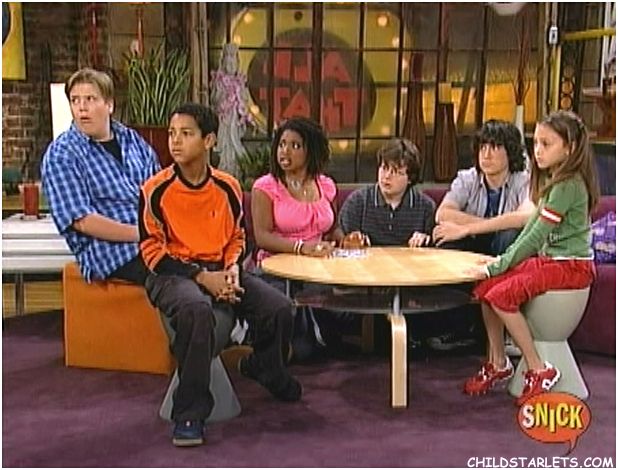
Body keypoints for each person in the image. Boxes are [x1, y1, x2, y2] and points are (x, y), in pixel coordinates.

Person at [139, 103, 301, 447]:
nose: (175, 141)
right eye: (172, 134)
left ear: (209, 140)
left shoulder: (227, 186)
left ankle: (266, 367)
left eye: (186, 134)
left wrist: (231, 271)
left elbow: (237, 238)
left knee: (280, 308)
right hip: (172, 275)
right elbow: (152, 253)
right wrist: (201, 277)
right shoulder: (155, 189)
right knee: (198, 310)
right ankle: (189, 412)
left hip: (220, 268)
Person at [463, 110, 599, 406]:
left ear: (570, 148)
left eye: (546, 144)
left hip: (570, 267)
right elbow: (530, 229)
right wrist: (498, 264)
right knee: (485, 289)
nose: (537, 151)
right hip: (551, 262)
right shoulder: (553, 180)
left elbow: (536, 238)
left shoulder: (569, 185)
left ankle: (539, 368)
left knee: (502, 295)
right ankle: (498, 362)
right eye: (535, 143)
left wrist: (500, 264)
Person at [41, 67, 160, 284]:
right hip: (112, 253)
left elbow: (160, 192)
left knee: (208, 261)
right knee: (180, 276)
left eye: (90, 99)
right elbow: (82, 221)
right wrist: (143, 233)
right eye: (75, 100)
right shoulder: (62, 154)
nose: (82, 107)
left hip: (156, 241)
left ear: (109, 105)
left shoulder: (132, 140)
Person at [428, 120, 534, 352]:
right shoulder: (468, 178)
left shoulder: (523, 180)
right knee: (446, 241)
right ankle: (458, 328)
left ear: (510, 152)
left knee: (509, 236)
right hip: (475, 245)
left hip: (504, 247)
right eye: (482, 147)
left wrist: (468, 227)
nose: (486, 154)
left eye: (494, 147)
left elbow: (526, 217)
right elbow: (443, 213)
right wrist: (481, 228)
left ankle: (508, 331)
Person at [250, 116, 344, 360]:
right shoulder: (265, 187)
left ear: (310, 150)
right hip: (276, 269)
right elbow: (262, 237)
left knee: (346, 303)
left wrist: (345, 238)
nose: (285, 151)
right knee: (299, 337)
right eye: (282, 144)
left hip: (318, 268)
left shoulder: (326, 185)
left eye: (295, 145)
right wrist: (302, 248)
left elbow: (332, 228)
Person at [339, 138, 435, 355]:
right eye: (384, 168)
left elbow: (436, 255)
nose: (386, 176)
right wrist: (351, 241)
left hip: (410, 284)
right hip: (364, 283)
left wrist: (426, 240)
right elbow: (340, 242)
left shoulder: (425, 208)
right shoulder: (358, 202)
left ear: (410, 178)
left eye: (396, 171)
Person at [210, 43, 254, 178]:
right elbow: (214, 100)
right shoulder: (219, 81)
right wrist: (223, 96)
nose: (230, 64)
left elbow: (244, 101)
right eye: (227, 60)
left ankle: (236, 169)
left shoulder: (239, 82)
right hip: (223, 119)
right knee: (224, 145)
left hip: (234, 119)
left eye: (233, 60)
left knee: (235, 143)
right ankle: (224, 167)